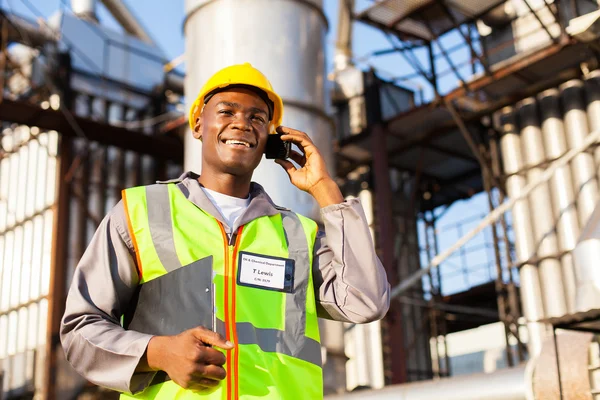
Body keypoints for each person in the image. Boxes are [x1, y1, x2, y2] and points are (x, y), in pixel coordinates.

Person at [60, 63, 390, 400]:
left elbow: (366, 302)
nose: (242, 124)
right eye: (227, 111)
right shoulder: (141, 213)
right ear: (198, 125)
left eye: (257, 118)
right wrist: (157, 352)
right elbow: (81, 329)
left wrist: (324, 189)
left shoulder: (297, 234)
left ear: (270, 141)